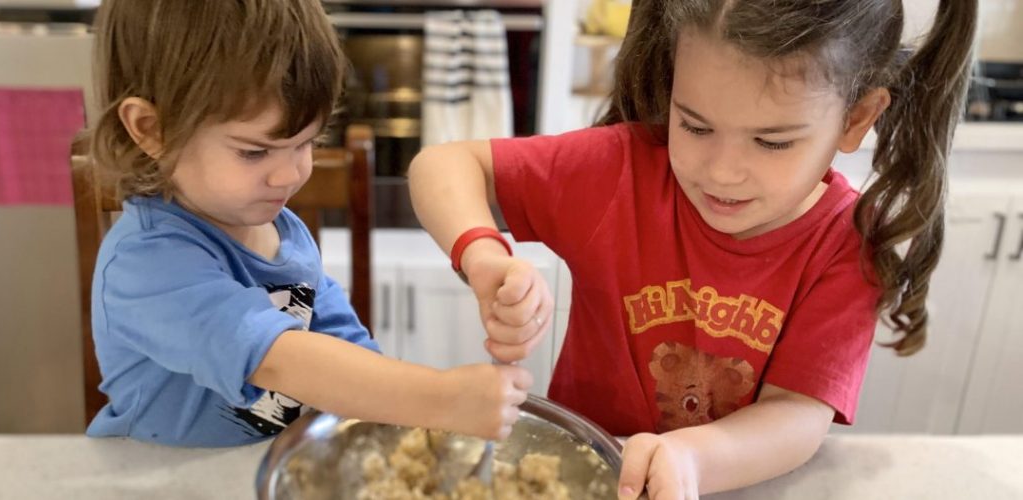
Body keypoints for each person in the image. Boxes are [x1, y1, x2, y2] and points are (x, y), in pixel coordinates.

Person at [408, 0, 977, 497]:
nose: (723, 172)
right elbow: (443, 165)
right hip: (584, 476)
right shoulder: (619, 173)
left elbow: (797, 416)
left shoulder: (846, 244)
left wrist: (692, 456)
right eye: (695, 126)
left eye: (771, 141)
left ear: (856, 119)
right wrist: (483, 254)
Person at [83, 0, 530, 447]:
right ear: (151, 129)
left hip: (267, 468)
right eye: (254, 152)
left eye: (308, 142)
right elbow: (278, 359)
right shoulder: (146, 264)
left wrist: (392, 417)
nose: (291, 174)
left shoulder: (284, 230)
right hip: (160, 480)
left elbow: (341, 339)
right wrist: (439, 398)